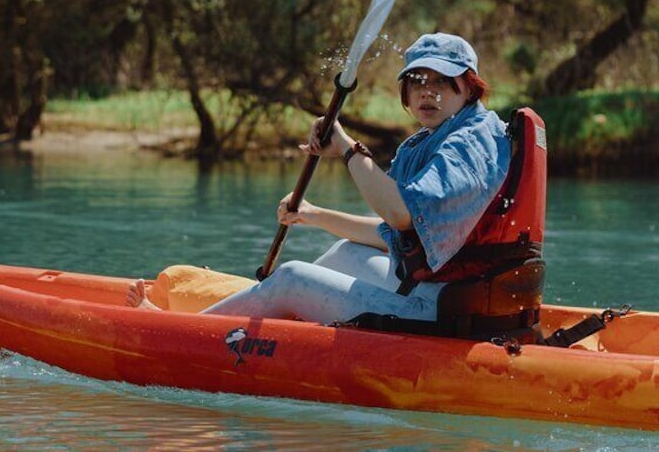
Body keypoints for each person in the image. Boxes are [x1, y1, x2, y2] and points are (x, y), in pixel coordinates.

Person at [128, 32, 511, 325]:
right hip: (442, 293)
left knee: (292, 276)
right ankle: (277, 317)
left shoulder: (468, 143)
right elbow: (396, 235)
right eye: (417, 81)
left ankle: (174, 331)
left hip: (439, 308)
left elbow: (400, 214)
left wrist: (347, 148)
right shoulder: (443, 137)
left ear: (468, 86)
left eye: (441, 81)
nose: (427, 92)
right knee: (344, 252)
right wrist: (313, 215)